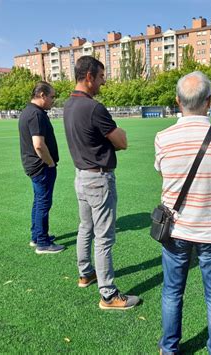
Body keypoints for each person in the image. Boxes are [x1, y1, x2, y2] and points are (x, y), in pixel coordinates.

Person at [154, 71, 211, 354]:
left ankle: (169, 348)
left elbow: (165, 175)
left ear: (178, 101)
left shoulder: (163, 137)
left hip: (175, 228)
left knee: (172, 292)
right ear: (209, 101)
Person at [63, 56, 140, 310]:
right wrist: (119, 136)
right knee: (104, 238)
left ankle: (86, 273)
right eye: (101, 77)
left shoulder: (68, 105)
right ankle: (108, 294)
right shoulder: (94, 108)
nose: (103, 82)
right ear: (89, 76)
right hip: (98, 177)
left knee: (85, 227)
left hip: (81, 176)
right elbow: (122, 142)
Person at [18, 81, 65, 254]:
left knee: (39, 201)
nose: (53, 100)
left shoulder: (28, 112)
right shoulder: (36, 114)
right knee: (43, 203)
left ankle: (36, 236)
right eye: (52, 97)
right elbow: (38, 145)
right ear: (42, 95)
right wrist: (50, 162)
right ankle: (43, 243)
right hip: (41, 166)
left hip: (34, 165)